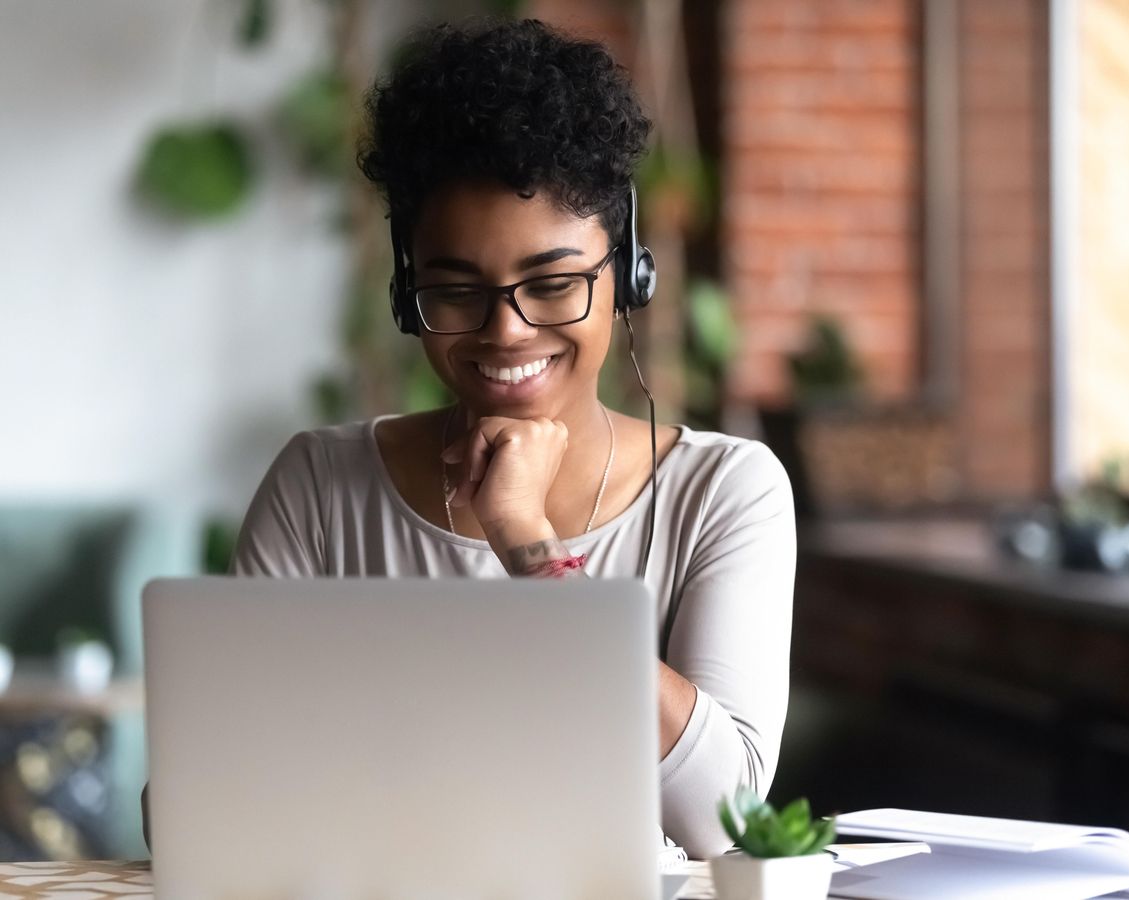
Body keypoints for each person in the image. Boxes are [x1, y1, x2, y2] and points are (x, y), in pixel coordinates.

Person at [144, 17, 795, 861]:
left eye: (553, 284)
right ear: (406, 289)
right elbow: (195, 817)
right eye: (456, 293)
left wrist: (527, 542)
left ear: (627, 273)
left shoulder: (723, 492)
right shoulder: (319, 485)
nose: (506, 332)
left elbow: (725, 819)